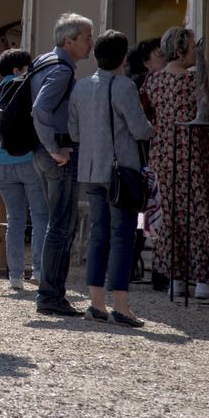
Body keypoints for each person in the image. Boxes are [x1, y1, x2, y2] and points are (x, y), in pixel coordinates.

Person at [69, 30, 154, 327]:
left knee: (98, 234)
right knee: (122, 236)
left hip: (90, 170)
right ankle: (121, 305)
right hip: (120, 171)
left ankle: (96, 303)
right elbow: (140, 129)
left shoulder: (80, 87)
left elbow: (75, 131)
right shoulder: (124, 86)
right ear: (123, 57)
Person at [144, 27, 209, 299]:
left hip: (162, 156)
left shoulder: (152, 82)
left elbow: (144, 115)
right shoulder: (193, 83)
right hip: (191, 154)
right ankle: (204, 279)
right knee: (199, 214)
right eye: (193, 47)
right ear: (180, 51)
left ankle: (175, 278)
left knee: (169, 217)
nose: (196, 52)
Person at [30, 13, 95, 318]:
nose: (90, 43)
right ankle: (51, 295)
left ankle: (50, 292)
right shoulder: (61, 70)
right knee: (61, 226)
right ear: (69, 41)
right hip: (57, 154)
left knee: (56, 225)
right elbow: (41, 108)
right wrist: (53, 147)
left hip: (43, 153)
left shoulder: (44, 61)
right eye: (86, 37)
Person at [0, 48, 49, 291]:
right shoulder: (30, 88)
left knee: (15, 219)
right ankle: (40, 271)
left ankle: (15, 276)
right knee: (41, 216)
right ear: (18, 69)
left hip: (2, 164)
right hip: (29, 161)